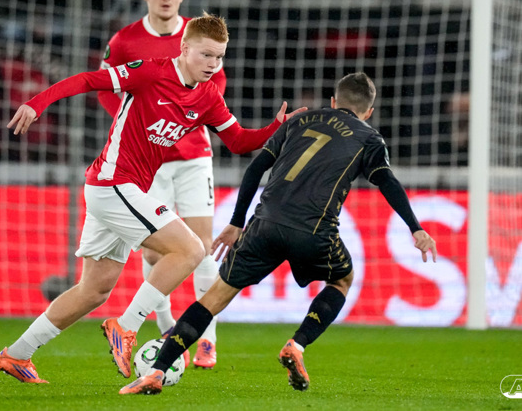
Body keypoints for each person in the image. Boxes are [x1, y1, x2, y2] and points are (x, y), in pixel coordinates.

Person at [0, 13, 307, 384]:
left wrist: (276, 129)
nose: (213, 64)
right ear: (185, 48)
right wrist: (37, 103)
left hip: (121, 190)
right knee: (190, 250)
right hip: (113, 183)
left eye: (219, 57)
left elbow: (238, 141)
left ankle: (16, 354)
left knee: (93, 290)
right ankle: (126, 327)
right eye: (206, 54)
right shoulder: (149, 72)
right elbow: (89, 80)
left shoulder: (208, 95)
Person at [119, 72, 438, 395]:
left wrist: (236, 222)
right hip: (314, 230)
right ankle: (296, 345)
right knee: (342, 280)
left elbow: (256, 168)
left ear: (333, 101)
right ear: (369, 112)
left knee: (212, 299)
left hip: (264, 225)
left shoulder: (299, 120)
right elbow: (387, 182)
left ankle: (156, 371)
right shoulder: (368, 138)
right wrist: (416, 228)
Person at [97, 0, 226, 369]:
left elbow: (215, 85)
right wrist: (136, 126)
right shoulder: (124, 41)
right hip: (146, 162)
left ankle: (206, 339)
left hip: (193, 156)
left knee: (203, 246)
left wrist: (183, 121)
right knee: (156, 253)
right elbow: (106, 89)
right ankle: (167, 325)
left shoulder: (198, 37)